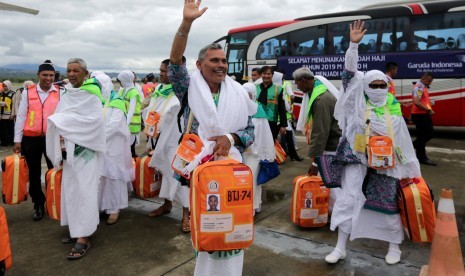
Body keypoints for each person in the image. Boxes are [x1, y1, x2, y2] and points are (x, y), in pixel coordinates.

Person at [169, 1, 256, 275]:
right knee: (208, 226)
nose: (221, 65)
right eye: (214, 61)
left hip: (232, 169)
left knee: (233, 226)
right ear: (199, 64)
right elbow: (174, 63)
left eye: (224, 61)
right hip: (201, 172)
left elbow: (249, 131)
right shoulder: (188, 87)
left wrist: (230, 137)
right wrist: (186, 24)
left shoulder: (238, 93)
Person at [326, 20, 421, 265]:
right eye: (373, 85)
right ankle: (340, 248)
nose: (377, 88)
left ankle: (394, 247)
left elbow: (403, 142)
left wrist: (409, 167)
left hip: (386, 163)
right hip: (356, 157)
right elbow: (348, 75)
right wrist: (353, 46)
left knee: (388, 204)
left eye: (382, 85)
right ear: (365, 88)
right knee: (350, 197)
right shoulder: (357, 105)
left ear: (387, 87)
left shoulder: (394, 111)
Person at [46, 58, 106, 260]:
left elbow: (94, 122)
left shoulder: (92, 94)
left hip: (86, 153)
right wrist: (63, 123)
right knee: (71, 191)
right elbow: (61, 116)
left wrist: (63, 122)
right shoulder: (68, 94)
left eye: (76, 71)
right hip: (69, 153)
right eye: (69, 70)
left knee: (85, 192)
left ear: (85, 73)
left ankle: (84, 236)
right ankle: (76, 229)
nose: (71, 74)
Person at [146, 59, 191, 233]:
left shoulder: (185, 91)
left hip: (178, 141)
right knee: (164, 172)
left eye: (164, 71)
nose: (161, 74)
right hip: (161, 140)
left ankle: (186, 215)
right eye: (160, 70)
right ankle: (167, 205)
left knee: (180, 176)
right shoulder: (159, 90)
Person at [13, 61, 60, 221]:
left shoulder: (60, 92)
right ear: (38, 75)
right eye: (45, 75)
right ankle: (38, 204)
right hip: (31, 139)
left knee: (54, 170)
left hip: (52, 138)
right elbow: (21, 116)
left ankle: (55, 202)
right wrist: (17, 139)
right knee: (33, 173)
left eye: (51, 75)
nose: (48, 78)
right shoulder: (28, 92)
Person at [96, 73, 134, 225]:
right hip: (99, 146)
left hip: (113, 146)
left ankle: (114, 209)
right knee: (100, 177)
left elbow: (114, 124)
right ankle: (101, 206)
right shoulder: (96, 100)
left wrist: (97, 139)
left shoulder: (116, 101)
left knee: (113, 177)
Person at [294, 67, 341, 176]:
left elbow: (320, 132)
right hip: (330, 148)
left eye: (297, 84)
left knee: (329, 188)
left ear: (304, 81)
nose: (297, 87)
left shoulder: (321, 100)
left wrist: (316, 163)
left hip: (331, 150)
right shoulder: (319, 94)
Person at [243, 82, 275, 214]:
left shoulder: (258, 111)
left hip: (253, 154)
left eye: (248, 95)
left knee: (252, 180)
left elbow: (265, 135)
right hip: (241, 153)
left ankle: (252, 207)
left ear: (254, 95)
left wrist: (264, 153)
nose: (246, 97)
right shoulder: (238, 109)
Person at [411, 72, 436, 166]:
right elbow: (417, 102)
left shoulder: (422, 87)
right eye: (429, 81)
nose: (430, 83)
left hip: (421, 114)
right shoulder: (419, 87)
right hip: (421, 115)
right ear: (424, 78)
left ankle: (420, 155)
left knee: (423, 136)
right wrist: (428, 110)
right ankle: (417, 152)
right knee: (428, 134)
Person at [256, 66, 287, 141]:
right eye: (264, 74)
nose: (266, 76)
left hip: (271, 122)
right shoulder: (255, 88)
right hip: (257, 121)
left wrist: (283, 125)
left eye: (268, 74)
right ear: (261, 75)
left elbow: (282, 108)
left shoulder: (278, 89)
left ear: (272, 75)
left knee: (270, 143)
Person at [117, 70, 141, 158]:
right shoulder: (123, 91)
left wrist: (126, 125)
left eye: (121, 81)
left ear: (126, 80)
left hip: (131, 124)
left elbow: (131, 110)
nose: (120, 83)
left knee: (130, 147)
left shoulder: (133, 92)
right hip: (125, 123)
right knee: (126, 147)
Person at [0, 80, 15, 146]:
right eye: (3, 86)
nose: (4, 87)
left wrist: (12, 114)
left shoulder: (13, 93)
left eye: (6, 86)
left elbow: (14, 104)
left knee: (10, 128)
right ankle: (4, 141)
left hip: (9, 114)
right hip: (2, 114)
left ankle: (11, 141)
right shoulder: (1, 93)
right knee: (3, 128)